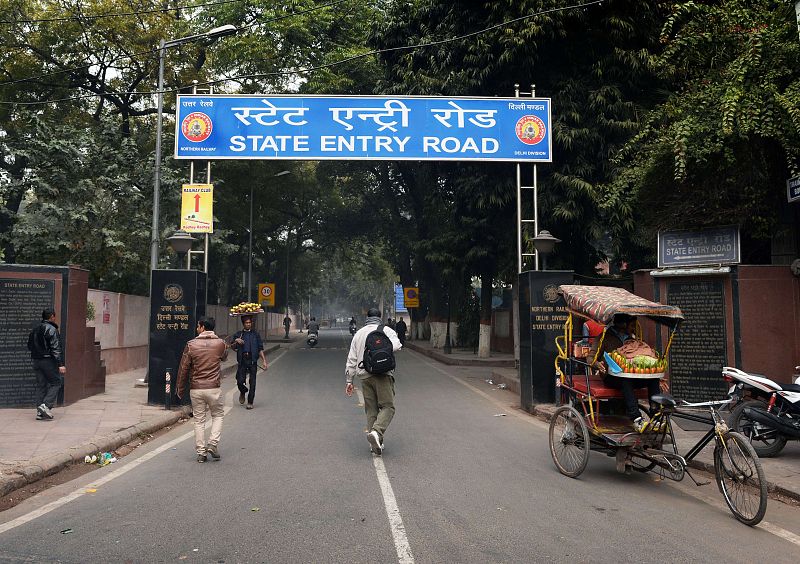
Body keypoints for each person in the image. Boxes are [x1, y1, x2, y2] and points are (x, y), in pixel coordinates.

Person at [345, 307, 402, 455]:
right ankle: (377, 432)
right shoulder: (387, 331)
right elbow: (397, 346)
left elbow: (352, 358)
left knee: (371, 410)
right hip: (383, 374)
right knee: (388, 407)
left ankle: (375, 445)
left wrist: (349, 381)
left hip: (364, 376)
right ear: (380, 317)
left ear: (367, 318)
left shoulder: (358, 334)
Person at [594, 313, 660, 432]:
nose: (634, 328)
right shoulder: (604, 337)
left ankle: (655, 415)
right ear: (623, 325)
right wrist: (597, 364)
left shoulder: (633, 338)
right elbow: (590, 357)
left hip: (633, 375)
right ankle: (636, 418)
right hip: (611, 376)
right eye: (632, 325)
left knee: (653, 380)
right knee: (626, 381)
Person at [176, 317, 228, 462]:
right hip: (213, 388)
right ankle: (213, 443)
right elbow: (224, 357)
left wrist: (180, 388)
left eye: (198, 326)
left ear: (203, 327)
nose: (197, 328)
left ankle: (201, 453)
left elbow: (183, 368)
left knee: (199, 420)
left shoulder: (191, 345)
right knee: (218, 415)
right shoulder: (221, 344)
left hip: (196, 389)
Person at [27, 308, 65, 421]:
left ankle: (40, 412)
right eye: (54, 316)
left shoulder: (35, 329)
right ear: (52, 316)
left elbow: (29, 346)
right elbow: (55, 348)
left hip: (36, 361)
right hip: (48, 361)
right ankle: (46, 406)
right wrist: (60, 364)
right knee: (56, 382)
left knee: (41, 385)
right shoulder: (52, 329)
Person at [231, 315, 268, 410]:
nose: (248, 324)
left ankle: (250, 401)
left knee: (253, 382)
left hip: (252, 361)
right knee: (239, 381)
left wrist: (264, 361)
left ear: (251, 323)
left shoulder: (255, 334)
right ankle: (243, 391)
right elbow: (232, 346)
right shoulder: (239, 334)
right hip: (242, 360)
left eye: (249, 323)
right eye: (246, 323)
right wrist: (236, 340)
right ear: (243, 324)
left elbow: (260, 348)